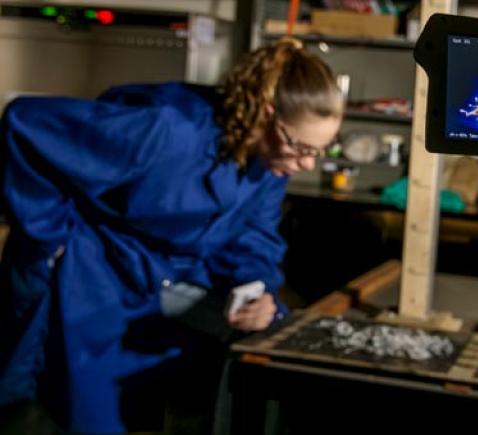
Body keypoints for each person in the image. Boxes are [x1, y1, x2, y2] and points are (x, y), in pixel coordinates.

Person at [0, 38, 343, 433]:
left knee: (163, 401)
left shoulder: (272, 163)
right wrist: (47, 236)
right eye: (300, 146)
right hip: (90, 274)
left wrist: (258, 286)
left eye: (320, 150)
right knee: (67, 413)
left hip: (158, 287)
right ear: (266, 115)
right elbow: (25, 123)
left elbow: (254, 235)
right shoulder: (167, 130)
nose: (306, 163)